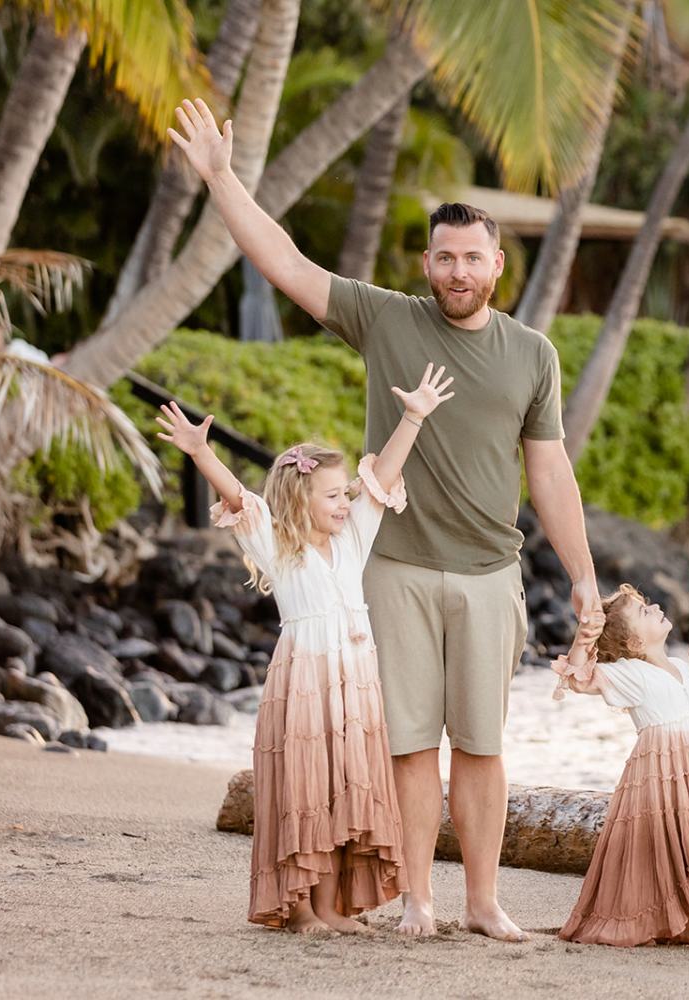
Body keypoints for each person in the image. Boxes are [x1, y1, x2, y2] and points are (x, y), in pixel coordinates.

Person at [168, 98, 599, 941]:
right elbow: (285, 262)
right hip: (391, 568)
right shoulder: (385, 317)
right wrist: (221, 179)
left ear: (498, 265)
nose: (458, 271)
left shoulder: (532, 353)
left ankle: (481, 901)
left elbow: (549, 472)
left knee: (481, 747)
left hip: (488, 571)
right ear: (428, 262)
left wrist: (581, 576)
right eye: (444, 257)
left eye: (474, 258)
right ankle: (418, 901)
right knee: (406, 746)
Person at [155, 363, 456, 932]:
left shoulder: (355, 539)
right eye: (333, 495)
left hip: (355, 682)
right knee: (309, 789)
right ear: (300, 498)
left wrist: (413, 417)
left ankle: (333, 906)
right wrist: (200, 453)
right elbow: (238, 497)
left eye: (345, 493)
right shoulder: (278, 545)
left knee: (348, 788)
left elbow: (383, 475)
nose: (345, 503)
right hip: (306, 681)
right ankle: (302, 908)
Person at [552, 586, 689, 947]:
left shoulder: (681, 667)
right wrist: (583, 639)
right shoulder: (630, 672)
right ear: (633, 643)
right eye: (644, 612)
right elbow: (577, 678)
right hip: (661, 777)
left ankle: (688, 918)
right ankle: (652, 917)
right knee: (660, 847)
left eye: (649, 605)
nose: (655, 607)